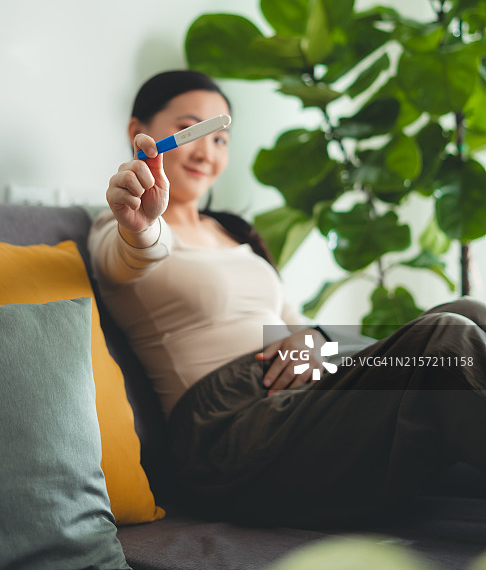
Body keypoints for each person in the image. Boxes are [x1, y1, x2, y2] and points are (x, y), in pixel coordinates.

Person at [89, 69, 486, 529]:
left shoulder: (235, 236)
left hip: (302, 395)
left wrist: (315, 340)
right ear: (139, 132)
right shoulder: (121, 225)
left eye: (219, 138)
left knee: (467, 310)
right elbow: (133, 255)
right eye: (187, 129)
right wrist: (140, 225)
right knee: (446, 340)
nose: (205, 152)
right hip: (229, 432)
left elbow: (299, 328)